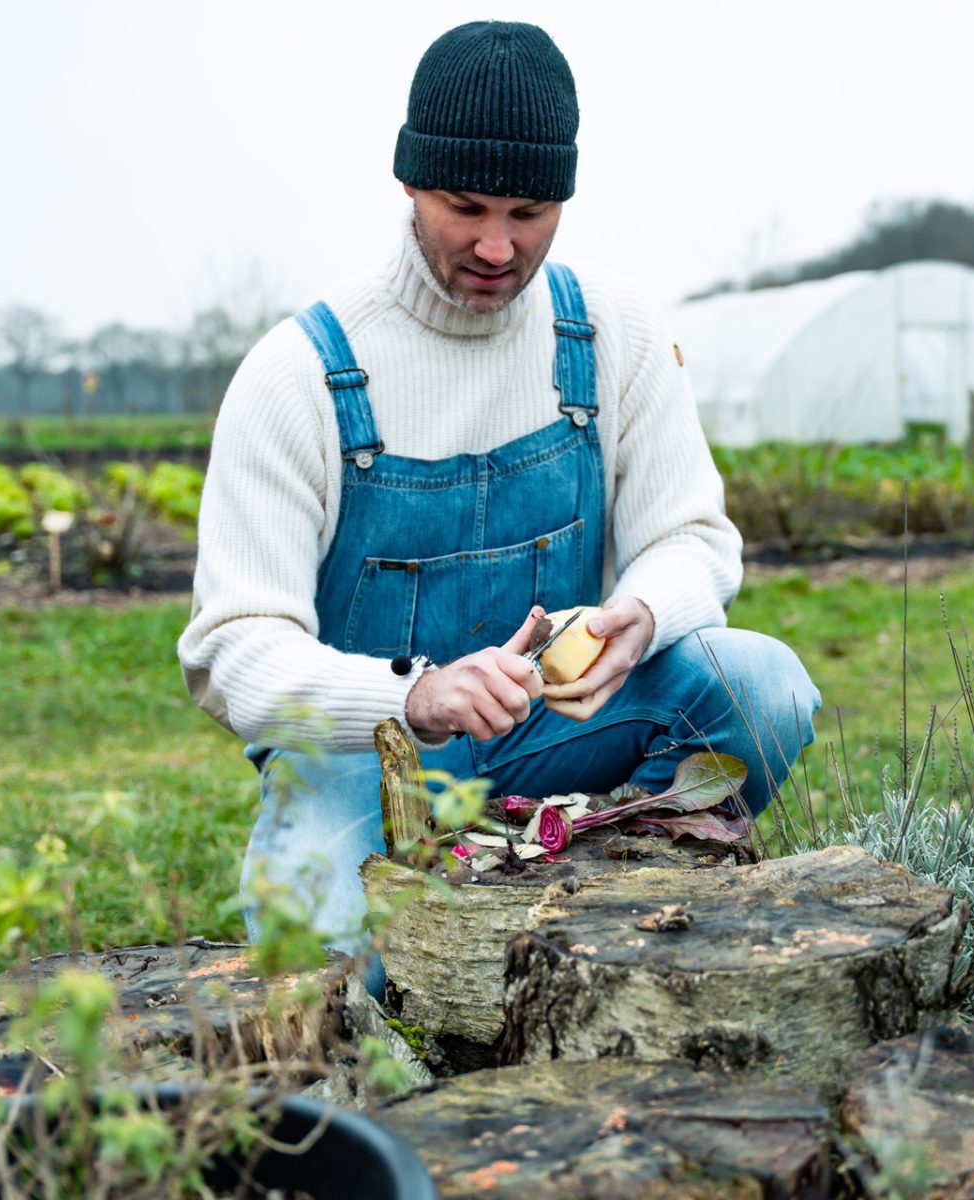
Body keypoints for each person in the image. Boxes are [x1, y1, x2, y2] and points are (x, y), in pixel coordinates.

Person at [177, 21, 819, 982]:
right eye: (464, 205)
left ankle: (593, 884)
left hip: (551, 735)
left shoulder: (608, 332)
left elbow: (691, 535)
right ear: (408, 183)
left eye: (529, 211)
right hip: (367, 754)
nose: (495, 244)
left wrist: (640, 614)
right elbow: (234, 654)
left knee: (759, 690)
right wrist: (415, 694)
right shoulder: (301, 373)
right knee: (326, 971)